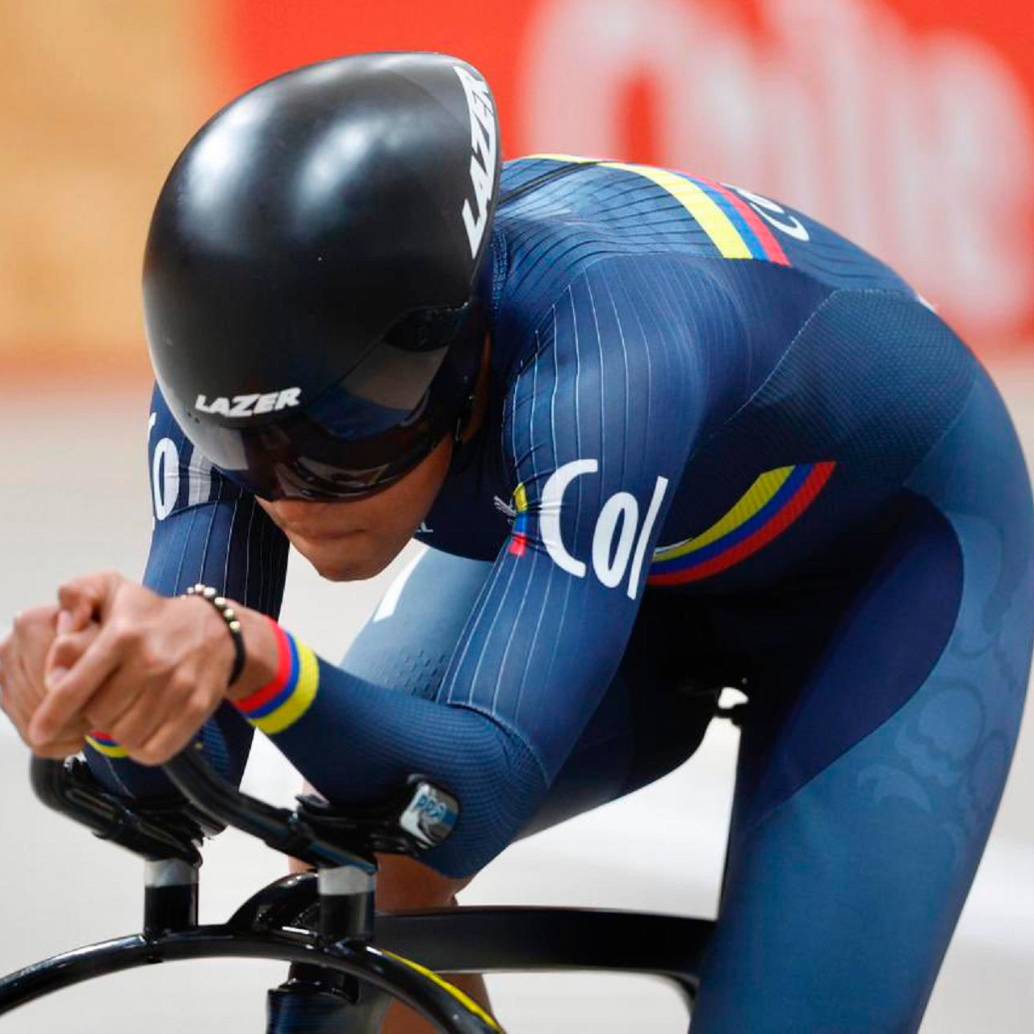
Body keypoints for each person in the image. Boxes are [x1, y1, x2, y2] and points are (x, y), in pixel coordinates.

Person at [2, 51, 1032, 1033]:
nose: (289, 497)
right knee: (351, 886)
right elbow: (180, 779)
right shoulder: (241, 378)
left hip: (885, 572)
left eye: (340, 451)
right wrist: (94, 691)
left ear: (458, 365)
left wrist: (249, 651)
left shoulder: (601, 351)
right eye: (248, 458)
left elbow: (465, 798)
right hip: (609, 532)